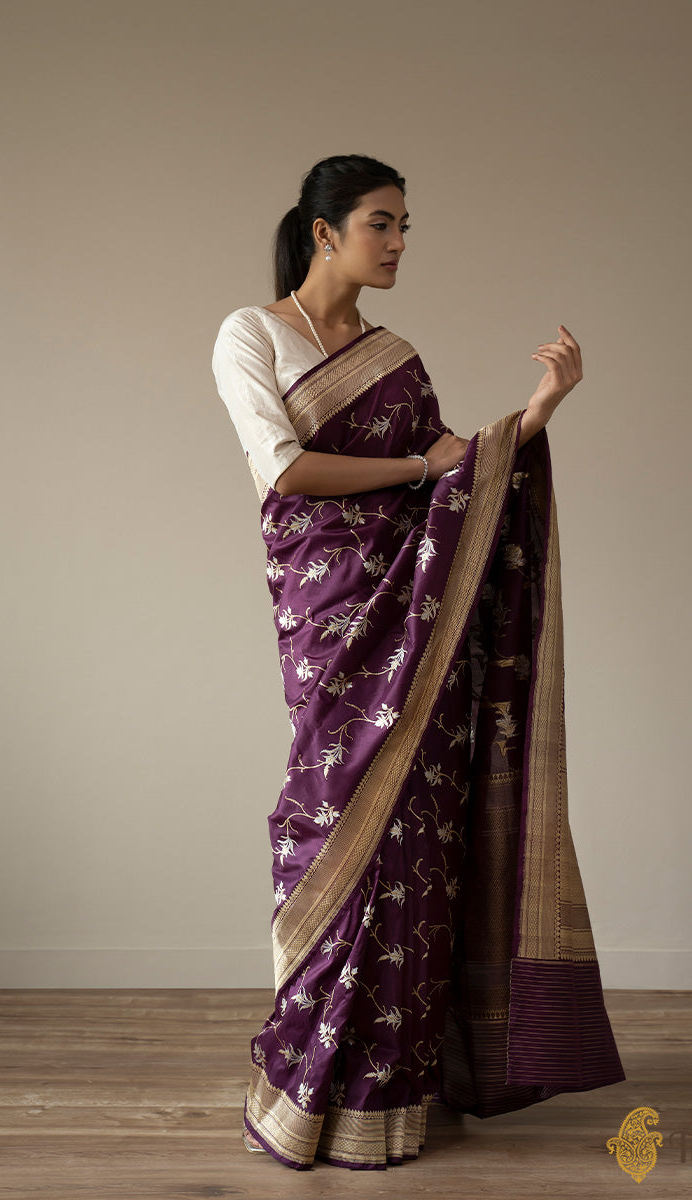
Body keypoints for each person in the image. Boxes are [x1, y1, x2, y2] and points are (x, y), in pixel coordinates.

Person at [211, 154, 625, 1171]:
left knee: (414, 830)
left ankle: (390, 1087)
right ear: (324, 232)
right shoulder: (251, 334)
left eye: (405, 226)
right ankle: (310, 1087)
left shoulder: (395, 356)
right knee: (334, 816)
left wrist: (539, 409)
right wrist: (411, 465)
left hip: (414, 620)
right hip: (332, 617)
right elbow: (284, 471)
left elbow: (460, 484)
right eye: (381, 223)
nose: (398, 243)